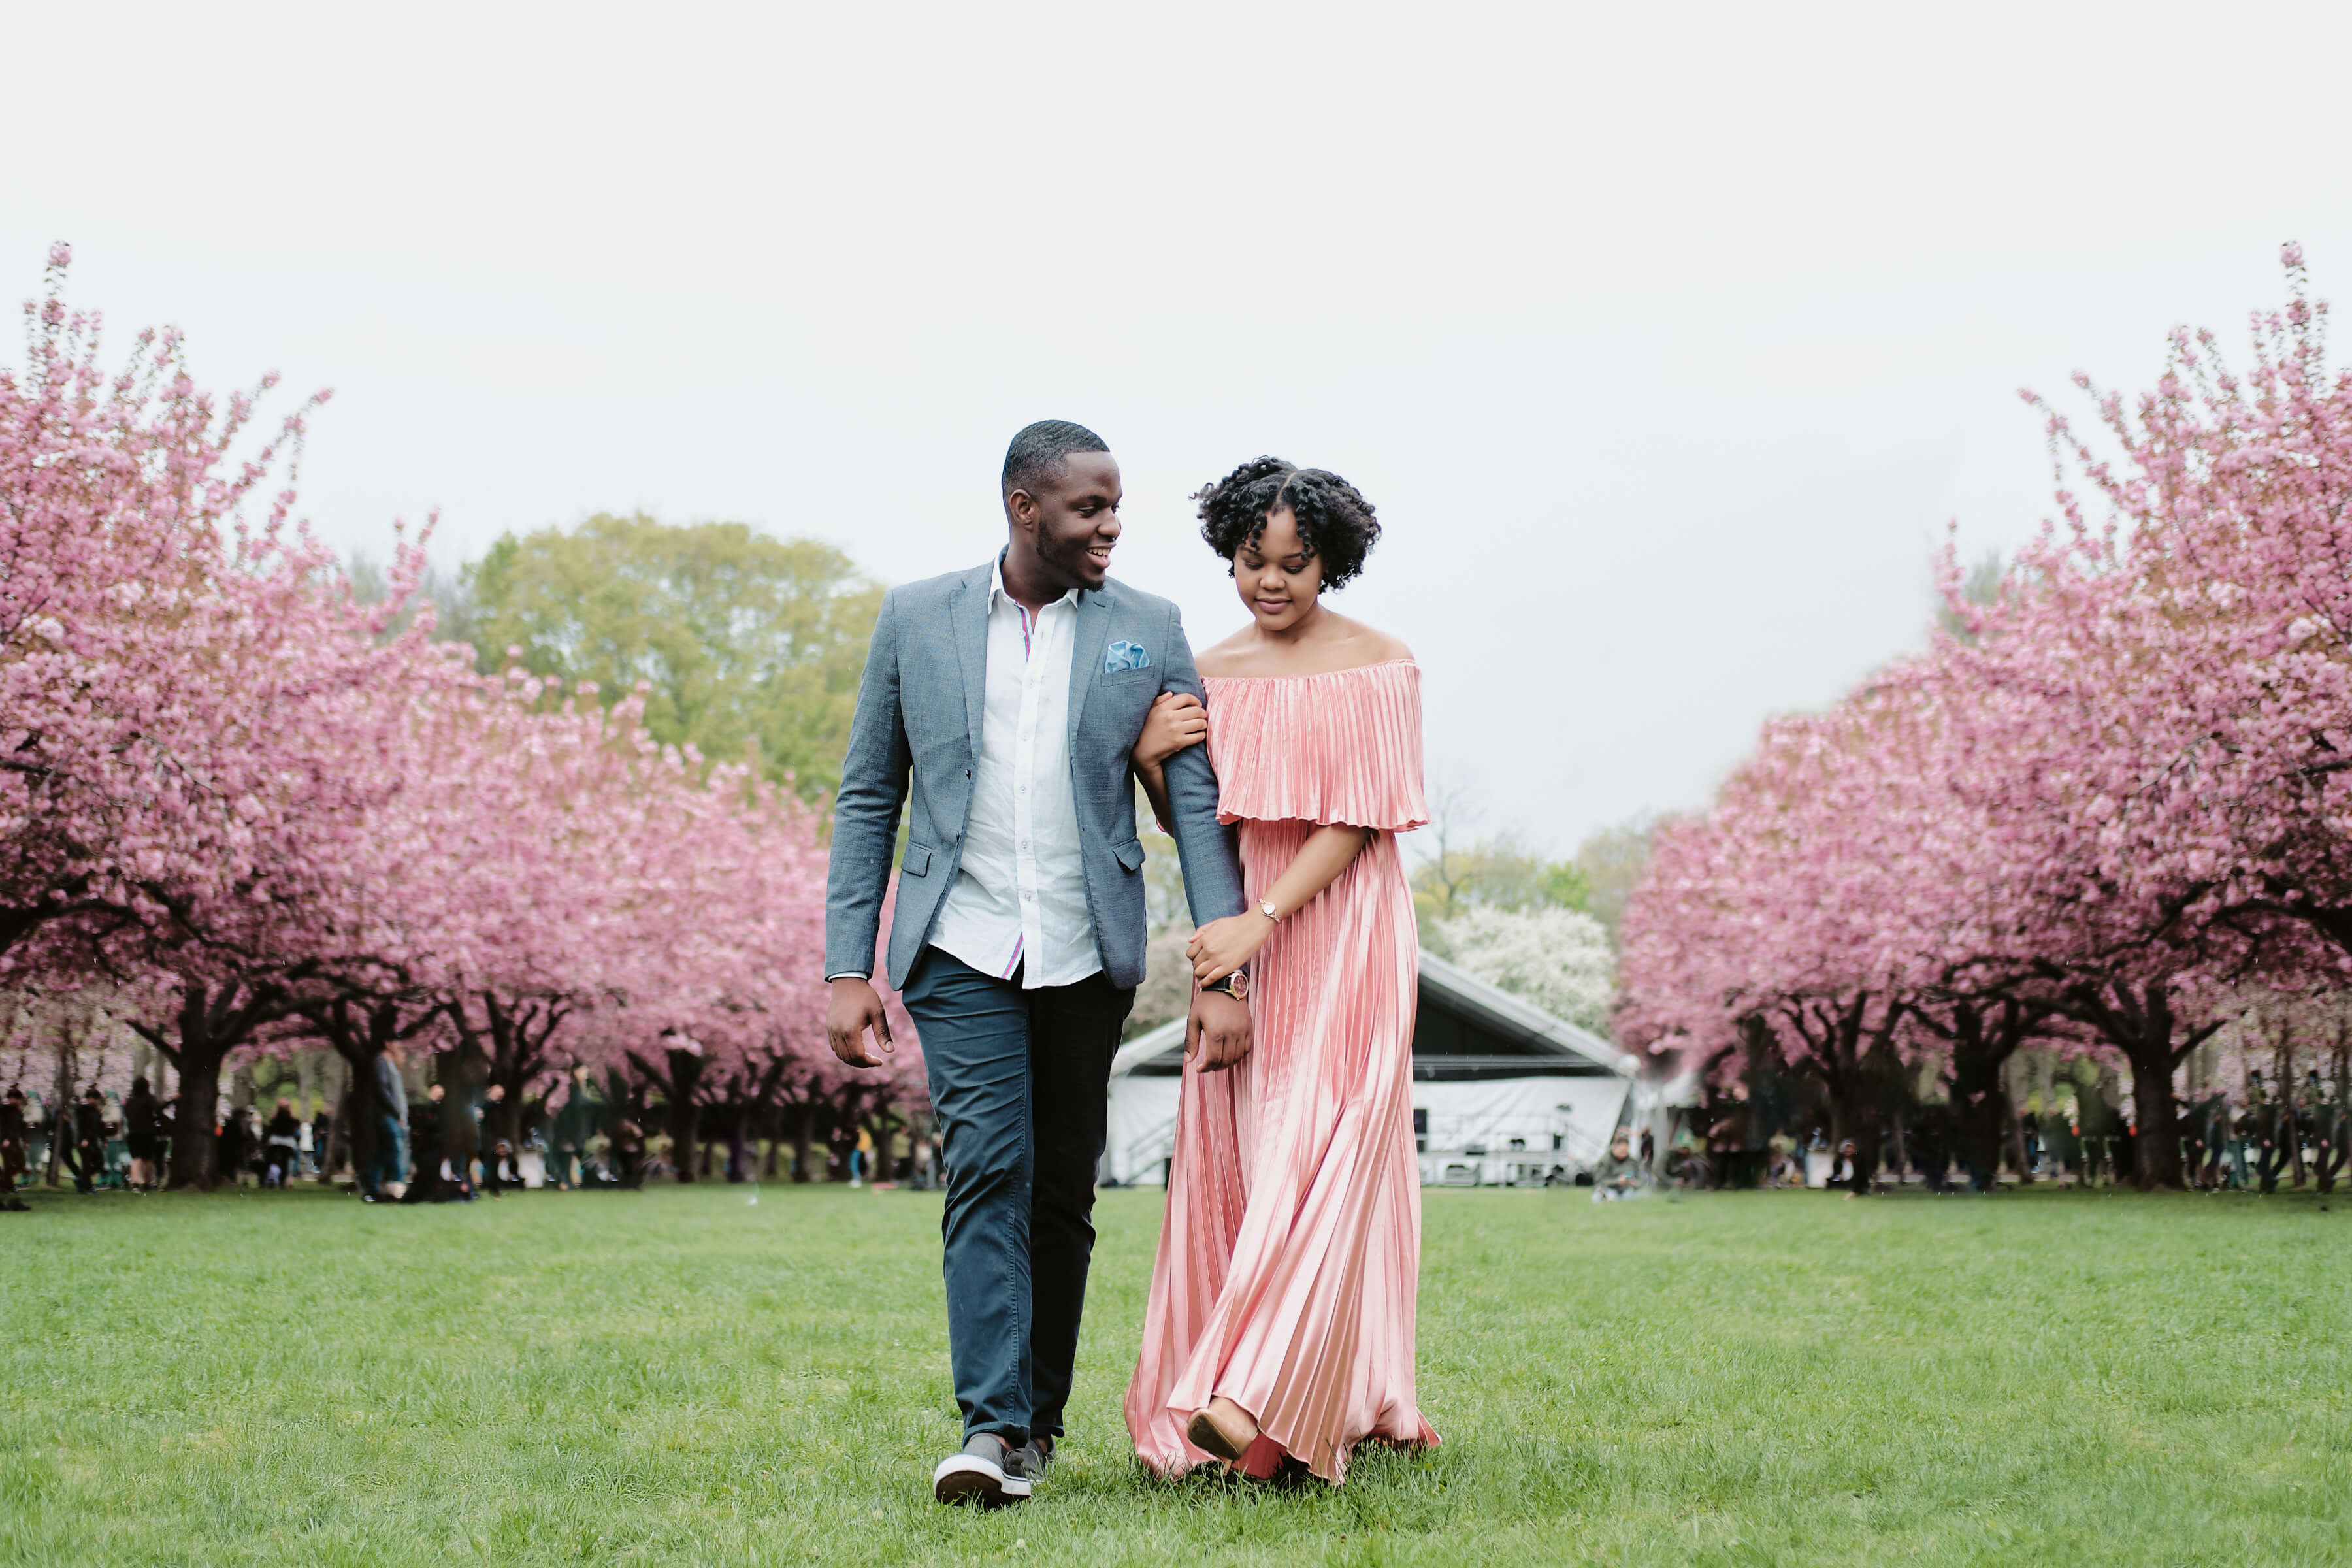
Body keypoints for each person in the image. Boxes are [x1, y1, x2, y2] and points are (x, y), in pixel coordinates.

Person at [825, 421, 1250, 1507]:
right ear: (1026, 509)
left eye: (1115, 507)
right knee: (986, 1174)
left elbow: (1193, 807)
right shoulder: (916, 616)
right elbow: (871, 792)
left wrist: (1222, 967)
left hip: (1085, 950)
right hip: (957, 947)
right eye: (1090, 508)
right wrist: (846, 965)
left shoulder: (1148, 627)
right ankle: (991, 1430)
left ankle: (1039, 1422)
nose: (1112, 526)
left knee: (1062, 1194)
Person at [1121, 456, 1438, 1486]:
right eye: (1253, 562)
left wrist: (1263, 918)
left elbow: (1355, 818)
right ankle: (1266, 1399)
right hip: (1243, 923)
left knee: (1329, 1145)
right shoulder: (1207, 672)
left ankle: (1251, 1397)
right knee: (1253, 1155)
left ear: (1331, 562)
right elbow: (1202, 826)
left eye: (1295, 564)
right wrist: (1152, 763)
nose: (1271, 583)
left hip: (1343, 926)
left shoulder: (1382, 665)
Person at [124, 1077, 163, 1191]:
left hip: (133, 1133)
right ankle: (147, 1183)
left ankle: (135, 1184)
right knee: (148, 1159)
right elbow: (158, 1109)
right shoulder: (150, 1099)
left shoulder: (130, 1101)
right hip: (148, 1132)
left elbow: (126, 1114)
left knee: (136, 1159)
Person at [71, 1087, 109, 1194]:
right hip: (84, 1141)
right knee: (86, 1163)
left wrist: (104, 1140)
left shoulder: (97, 1112)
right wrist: (84, 1139)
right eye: (91, 1098)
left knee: (99, 1163)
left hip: (93, 1140)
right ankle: (87, 1187)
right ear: (87, 1099)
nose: (93, 1100)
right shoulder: (83, 1111)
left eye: (95, 1098)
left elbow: (100, 1127)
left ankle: (81, 1179)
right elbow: (82, 1127)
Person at [1592, 1132, 1646, 1201]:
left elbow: (1642, 1179)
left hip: (1628, 1191)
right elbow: (1600, 1181)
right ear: (1615, 1148)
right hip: (1610, 1190)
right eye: (1621, 1151)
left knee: (1641, 1195)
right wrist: (1617, 1181)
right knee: (1599, 1197)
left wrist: (1634, 1183)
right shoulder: (1605, 1161)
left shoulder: (1632, 1162)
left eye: (1625, 1151)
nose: (1623, 1153)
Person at [1, 1086, 31, 1209]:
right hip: (6, 1141)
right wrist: (4, 1139)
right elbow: (2, 1126)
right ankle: (9, 1186)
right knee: (9, 1164)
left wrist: (25, 1140)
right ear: (9, 1099)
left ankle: (4, 1183)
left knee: (21, 1163)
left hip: (15, 1141)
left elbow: (22, 1127)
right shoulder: (4, 1110)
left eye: (17, 1099)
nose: (15, 1101)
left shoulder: (18, 1112)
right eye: (13, 1098)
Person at [263, 1099, 302, 1188]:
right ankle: (271, 1181)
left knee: (282, 1163)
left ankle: (280, 1182)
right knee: (274, 1161)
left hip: (285, 1141)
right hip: (278, 1140)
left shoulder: (287, 1117)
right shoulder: (278, 1116)